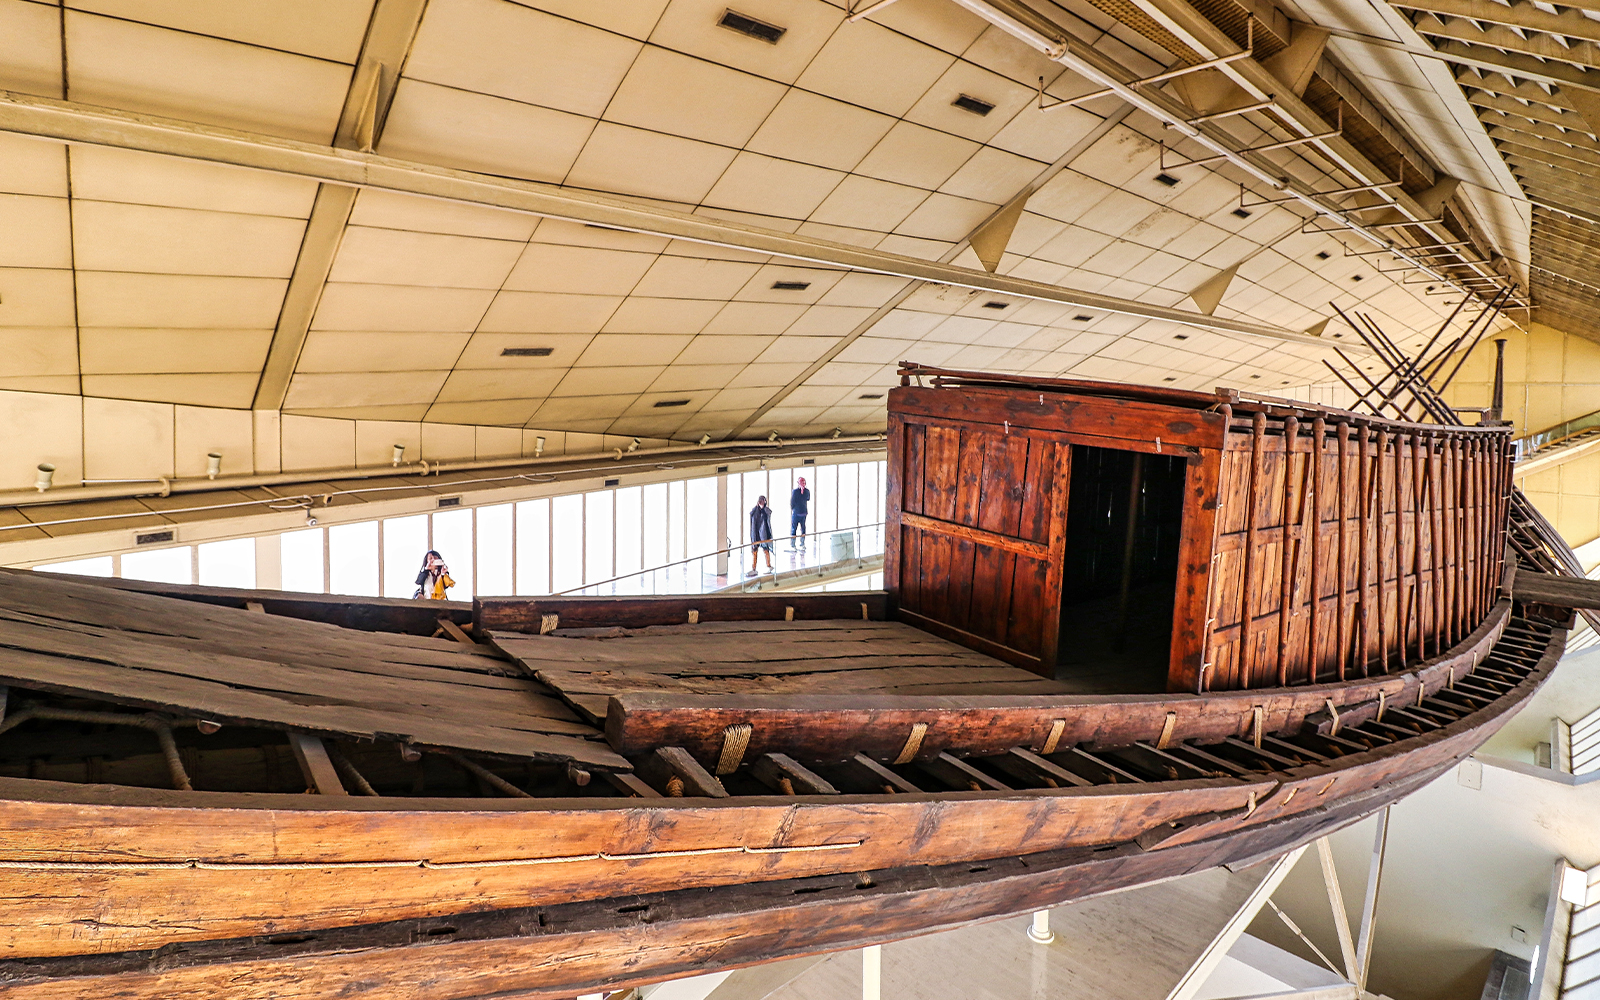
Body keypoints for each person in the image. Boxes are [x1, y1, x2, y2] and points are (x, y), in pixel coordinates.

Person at [747, 495, 774, 577]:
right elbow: (753, 523)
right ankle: (754, 568)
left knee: (766, 550)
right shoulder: (754, 511)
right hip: (756, 534)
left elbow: (768, 517)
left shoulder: (765, 511)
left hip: (764, 534)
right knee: (755, 551)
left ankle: (768, 566)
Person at [789, 476, 811, 550]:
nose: (803, 484)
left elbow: (807, 498)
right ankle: (793, 545)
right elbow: (792, 502)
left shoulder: (807, 491)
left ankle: (802, 543)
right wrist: (794, 509)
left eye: (804, 482)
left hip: (803, 513)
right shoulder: (795, 491)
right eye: (801, 482)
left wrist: (803, 491)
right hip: (796, 513)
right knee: (794, 528)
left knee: (803, 528)